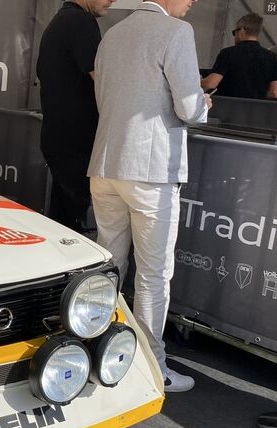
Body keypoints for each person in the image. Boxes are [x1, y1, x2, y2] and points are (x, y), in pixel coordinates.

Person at [88, 0, 211, 393]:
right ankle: (151, 366)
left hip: (106, 162)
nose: (193, 3)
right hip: (151, 171)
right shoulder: (176, 33)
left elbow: (103, 98)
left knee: (109, 266)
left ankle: (96, 349)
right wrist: (204, 103)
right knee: (154, 275)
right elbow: (189, 107)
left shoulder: (113, 34)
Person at [36, 0, 115, 233]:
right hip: (76, 140)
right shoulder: (81, 22)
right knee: (72, 225)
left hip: (60, 136)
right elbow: (102, 79)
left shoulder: (61, 20)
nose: (113, 0)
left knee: (62, 220)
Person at [201, 13, 277, 99]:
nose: (234, 36)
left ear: (242, 30)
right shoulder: (272, 57)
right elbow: (274, 92)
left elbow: (211, 83)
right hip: (258, 110)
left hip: (227, 108)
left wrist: (195, 81)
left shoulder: (228, 53)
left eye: (234, 32)